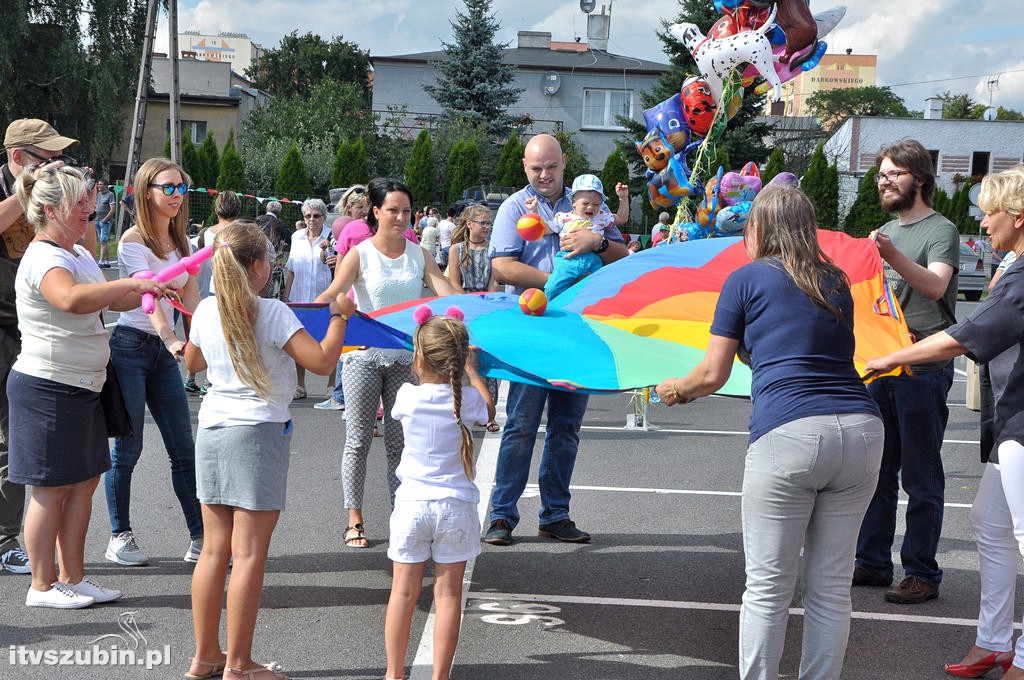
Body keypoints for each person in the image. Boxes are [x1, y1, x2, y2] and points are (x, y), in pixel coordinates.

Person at [655, 184, 884, 680]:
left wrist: (675, 389)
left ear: (756, 229)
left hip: (791, 434)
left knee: (767, 588)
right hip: (862, 431)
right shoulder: (835, 280)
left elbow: (712, 374)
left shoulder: (746, 279)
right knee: (830, 588)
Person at [864, 167, 1024, 680]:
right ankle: (995, 642)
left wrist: (895, 355)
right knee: (990, 524)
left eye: (990, 210)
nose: (982, 218)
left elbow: (965, 335)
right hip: (1013, 421)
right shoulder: (1014, 266)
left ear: (1018, 218)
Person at [184, 220, 355, 680]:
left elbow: (192, 362)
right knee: (250, 554)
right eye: (270, 260)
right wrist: (340, 316)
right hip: (257, 433)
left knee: (214, 552)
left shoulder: (205, 310)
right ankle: (239, 665)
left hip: (214, 429)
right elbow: (321, 361)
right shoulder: (273, 311)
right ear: (257, 267)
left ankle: (205, 657)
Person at [9, 162, 171, 608]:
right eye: (78, 203)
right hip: (47, 386)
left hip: (85, 385)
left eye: (87, 200)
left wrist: (149, 288)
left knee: (83, 482)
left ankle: (74, 577)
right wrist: (132, 282)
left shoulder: (77, 254)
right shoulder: (43, 257)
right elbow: (72, 299)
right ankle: (41, 586)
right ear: (48, 209)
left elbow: (109, 296)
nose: (88, 209)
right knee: (50, 488)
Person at [485, 133, 627, 546]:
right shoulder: (514, 207)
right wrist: (558, 284)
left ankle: (555, 515)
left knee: (566, 427)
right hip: (532, 329)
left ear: (564, 162)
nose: (544, 175)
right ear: (524, 168)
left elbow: (623, 257)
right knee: (521, 425)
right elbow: (504, 267)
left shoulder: (588, 198)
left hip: (577, 330)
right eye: (535, 168)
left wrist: (597, 243)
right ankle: (501, 516)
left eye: (550, 166)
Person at [315, 178, 457, 549]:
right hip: (361, 358)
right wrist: (308, 314)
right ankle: (355, 519)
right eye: (392, 210)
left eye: (406, 211)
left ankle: (400, 517)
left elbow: (442, 287)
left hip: (404, 361)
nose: (400, 217)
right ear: (375, 212)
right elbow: (333, 293)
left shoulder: (419, 254)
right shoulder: (359, 253)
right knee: (358, 441)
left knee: (399, 444)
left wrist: (481, 306)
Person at [854, 139, 960, 604]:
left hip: (924, 368)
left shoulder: (942, 229)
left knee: (920, 476)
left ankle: (921, 573)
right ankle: (873, 563)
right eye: (880, 175)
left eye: (893, 174)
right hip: (882, 366)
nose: (884, 181)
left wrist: (892, 256)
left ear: (919, 178)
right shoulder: (882, 231)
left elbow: (936, 287)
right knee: (877, 473)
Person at [384, 310, 495, 680]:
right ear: (460, 359)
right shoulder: (466, 401)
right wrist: (474, 371)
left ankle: (393, 673)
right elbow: (488, 407)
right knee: (448, 597)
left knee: (402, 593)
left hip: (413, 504)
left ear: (418, 358)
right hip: (456, 507)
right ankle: (439, 677)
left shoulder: (406, 396)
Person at [104, 157, 204, 567]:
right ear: (148, 191)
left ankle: (201, 539)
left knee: (183, 449)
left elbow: (193, 299)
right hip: (131, 346)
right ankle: (119, 536)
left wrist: (204, 339)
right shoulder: (132, 240)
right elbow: (148, 300)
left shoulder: (184, 245)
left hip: (165, 356)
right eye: (169, 187)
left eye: (181, 188)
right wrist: (171, 340)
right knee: (128, 448)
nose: (177, 195)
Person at [0, 118, 80, 576]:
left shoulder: (49, 196)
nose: (54, 167)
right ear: (17, 159)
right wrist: (24, 194)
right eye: (46, 160)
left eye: (57, 159)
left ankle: (19, 535)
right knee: (7, 441)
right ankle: (8, 538)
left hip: (31, 327)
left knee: (24, 439)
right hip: (0, 329)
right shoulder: (19, 191)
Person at [523, 173, 629, 298]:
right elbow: (543, 229)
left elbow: (622, 218)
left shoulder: (601, 216)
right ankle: (551, 307)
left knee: (600, 289)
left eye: (596, 204)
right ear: (573, 202)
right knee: (553, 288)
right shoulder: (564, 217)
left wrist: (623, 199)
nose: (591, 207)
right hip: (568, 260)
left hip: (593, 259)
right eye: (585, 203)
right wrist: (533, 211)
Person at [314, 186, 371, 412]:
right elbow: (329, 255)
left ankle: (345, 397)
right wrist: (327, 256)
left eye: (367, 207)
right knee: (347, 345)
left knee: (354, 345)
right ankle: (342, 395)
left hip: (355, 291)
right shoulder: (343, 230)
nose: (365, 212)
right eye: (360, 208)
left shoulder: (369, 231)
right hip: (344, 291)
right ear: (349, 209)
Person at [447, 203, 501, 432]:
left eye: (489, 222)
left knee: (487, 360)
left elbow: (496, 280)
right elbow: (453, 283)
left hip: (488, 308)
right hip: (464, 308)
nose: (487, 226)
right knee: (462, 361)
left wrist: (487, 300)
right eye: (483, 223)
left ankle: (490, 413)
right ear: (469, 224)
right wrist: (470, 303)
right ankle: (459, 411)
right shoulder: (457, 249)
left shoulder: (494, 249)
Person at [185, 190, 242, 395]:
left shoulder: (206, 234)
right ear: (238, 208)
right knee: (232, 337)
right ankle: (218, 379)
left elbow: (197, 264)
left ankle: (198, 378)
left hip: (212, 288)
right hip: (237, 290)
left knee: (210, 334)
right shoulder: (242, 231)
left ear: (216, 209)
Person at [284, 198, 335, 401]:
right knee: (299, 343)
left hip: (324, 298)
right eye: (307, 216)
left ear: (324, 217)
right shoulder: (296, 237)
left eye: (316, 216)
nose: (311, 220)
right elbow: (291, 270)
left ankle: (332, 385)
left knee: (329, 342)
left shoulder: (332, 236)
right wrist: (286, 298)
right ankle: (300, 384)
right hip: (300, 298)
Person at [93, 179, 116, 268]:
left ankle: (101, 261)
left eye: (101, 184)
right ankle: (107, 261)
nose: (99, 186)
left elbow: (112, 209)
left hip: (105, 221)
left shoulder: (110, 195)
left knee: (103, 240)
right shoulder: (99, 194)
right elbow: (96, 205)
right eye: (99, 184)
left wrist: (105, 219)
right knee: (102, 241)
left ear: (106, 185)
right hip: (97, 219)